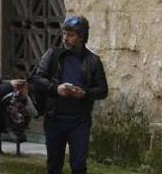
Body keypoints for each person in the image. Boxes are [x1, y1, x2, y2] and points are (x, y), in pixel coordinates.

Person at [30, 16, 108, 174]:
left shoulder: (93, 61)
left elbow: (102, 90)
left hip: (79, 121)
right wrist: (56, 88)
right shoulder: (53, 54)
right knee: (54, 164)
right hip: (55, 118)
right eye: (64, 33)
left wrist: (84, 93)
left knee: (79, 164)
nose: (65, 38)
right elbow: (37, 78)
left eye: (71, 35)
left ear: (81, 37)